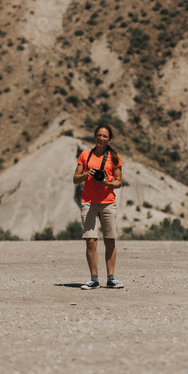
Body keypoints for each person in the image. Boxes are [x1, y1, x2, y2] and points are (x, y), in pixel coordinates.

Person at [73, 124, 124, 290]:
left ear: (109, 139)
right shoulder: (85, 155)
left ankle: (111, 278)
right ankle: (94, 279)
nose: (101, 138)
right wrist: (86, 174)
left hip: (108, 202)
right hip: (88, 202)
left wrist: (106, 183)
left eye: (105, 136)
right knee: (91, 242)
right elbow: (75, 179)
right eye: (99, 135)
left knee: (110, 240)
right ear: (94, 136)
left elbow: (118, 182)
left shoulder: (114, 157)